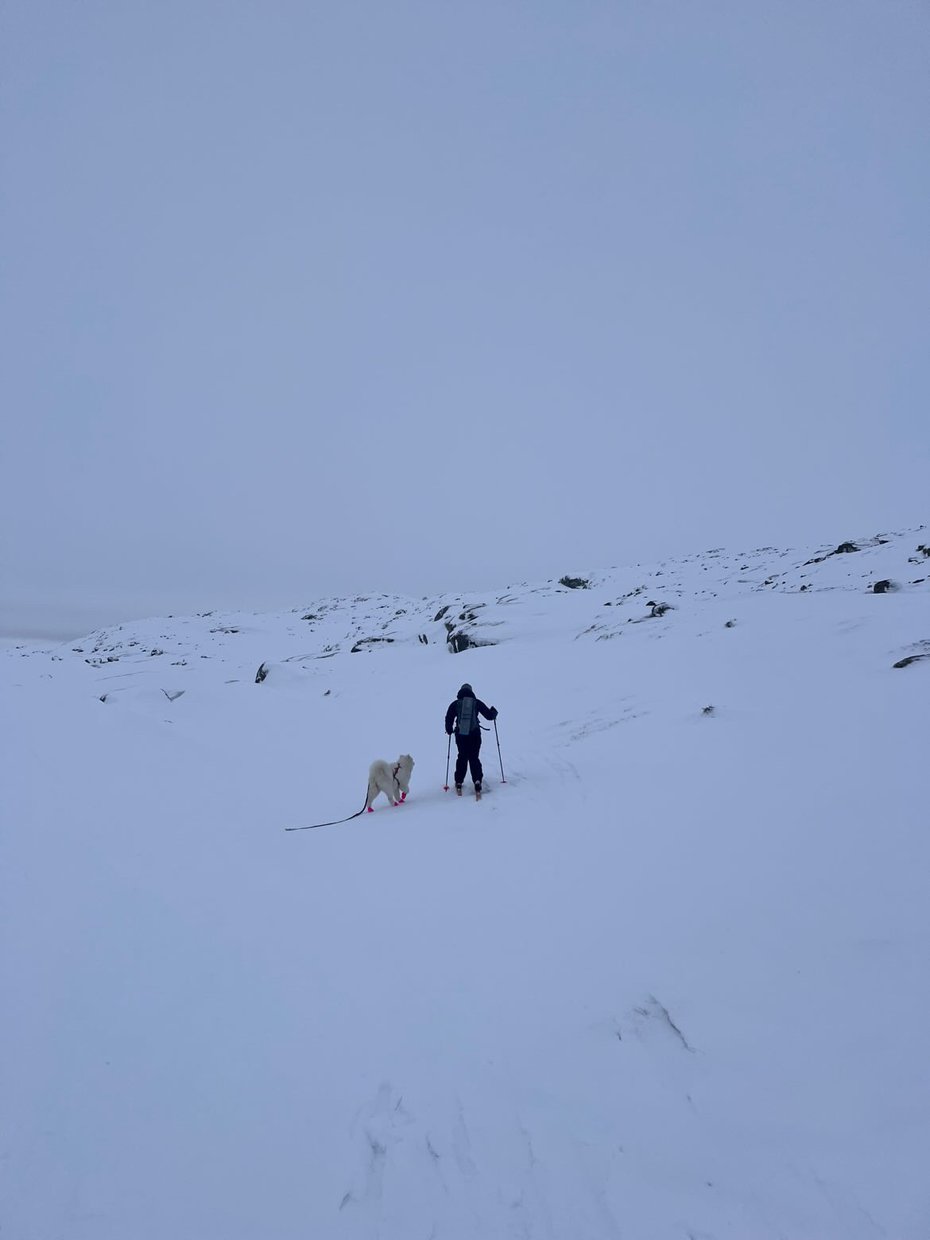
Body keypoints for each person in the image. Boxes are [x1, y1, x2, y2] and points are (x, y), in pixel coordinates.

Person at [445, 683, 498, 795]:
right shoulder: (476, 703)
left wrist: (449, 730)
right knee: (474, 757)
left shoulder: (455, 704)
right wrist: (494, 712)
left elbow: (448, 717)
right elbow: (489, 716)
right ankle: (477, 780)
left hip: (460, 735)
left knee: (462, 756)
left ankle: (459, 781)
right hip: (475, 734)